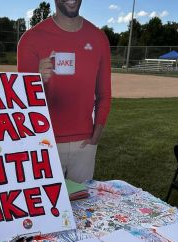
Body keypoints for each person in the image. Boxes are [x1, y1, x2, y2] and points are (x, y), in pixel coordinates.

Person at [17, 0, 111, 183]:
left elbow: (104, 94)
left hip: (84, 144)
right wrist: (37, 81)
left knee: (84, 208)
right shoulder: (31, 39)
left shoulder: (98, 38)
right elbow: (21, 102)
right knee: (46, 208)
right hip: (44, 142)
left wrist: (95, 137)